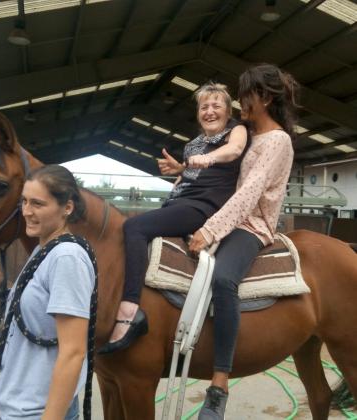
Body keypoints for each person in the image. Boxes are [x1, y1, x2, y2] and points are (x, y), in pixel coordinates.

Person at [98, 82, 250, 354]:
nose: (209, 111)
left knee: (134, 226)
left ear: (228, 112)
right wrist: (179, 170)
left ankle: (130, 309)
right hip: (182, 201)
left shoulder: (235, 131)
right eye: (204, 107)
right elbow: (189, 178)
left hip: (206, 205)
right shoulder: (193, 145)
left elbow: (234, 151)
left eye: (216, 106)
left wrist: (209, 159)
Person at [188, 64, 300, 420]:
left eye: (245, 96)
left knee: (223, 279)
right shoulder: (248, 134)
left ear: (264, 98)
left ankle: (219, 384)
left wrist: (211, 230)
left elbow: (251, 192)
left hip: (252, 226)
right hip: (229, 217)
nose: (239, 103)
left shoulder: (278, 141)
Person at [0, 165, 96, 420]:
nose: (27, 211)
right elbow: (41, 304)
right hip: (19, 408)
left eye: (38, 204)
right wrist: (1, 285)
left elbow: (73, 352)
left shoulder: (66, 257)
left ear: (67, 207)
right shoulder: (45, 249)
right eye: (24, 201)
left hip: (38, 412)